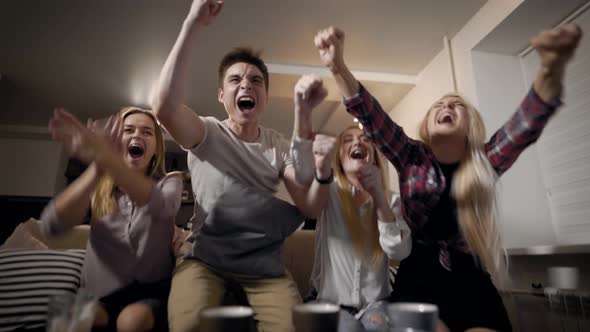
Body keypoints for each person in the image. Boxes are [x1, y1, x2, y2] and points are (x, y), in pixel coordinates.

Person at [313, 24, 582, 331]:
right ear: (427, 126)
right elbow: (371, 116)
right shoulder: (410, 156)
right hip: (419, 278)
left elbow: (525, 125)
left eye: (457, 105)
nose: (447, 106)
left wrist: (550, 66)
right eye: (439, 105)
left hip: (470, 279)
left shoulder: (485, 161)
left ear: (470, 126)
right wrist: (337, 67)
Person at [151, 1, 330, 331]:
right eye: (235, 80)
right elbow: (163, 106)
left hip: (264, 266)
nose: (246, 85)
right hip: (203, 261)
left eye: (255, 80)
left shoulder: (278, 145)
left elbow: (303, 193)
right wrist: (192, 23)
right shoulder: (207, 132)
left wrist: (302, 116)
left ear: (265, 94)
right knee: (189, 325)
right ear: (222, 95)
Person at [41, 107, 183, 332]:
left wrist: (108, 159)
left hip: (150, 292)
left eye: (147, 132)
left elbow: (162, 206)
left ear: (156, 148)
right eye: (129, 130)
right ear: (117, 139)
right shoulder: (97, 185)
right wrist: (99, 165)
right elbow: (51, 226)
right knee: (67, 316)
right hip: (97, 294)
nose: (137, 135)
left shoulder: (171, 182)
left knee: (132, 322)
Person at [291, 116, 412, 315]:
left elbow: (399, 251)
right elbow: (301, 176)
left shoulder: (392, 201)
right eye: (348, 140)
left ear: (373, 155)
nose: (357, 142)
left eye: (365, 139)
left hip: (377, 306)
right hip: (331, 305)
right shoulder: (327, 192)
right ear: (339, 157)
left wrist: (380, 197)